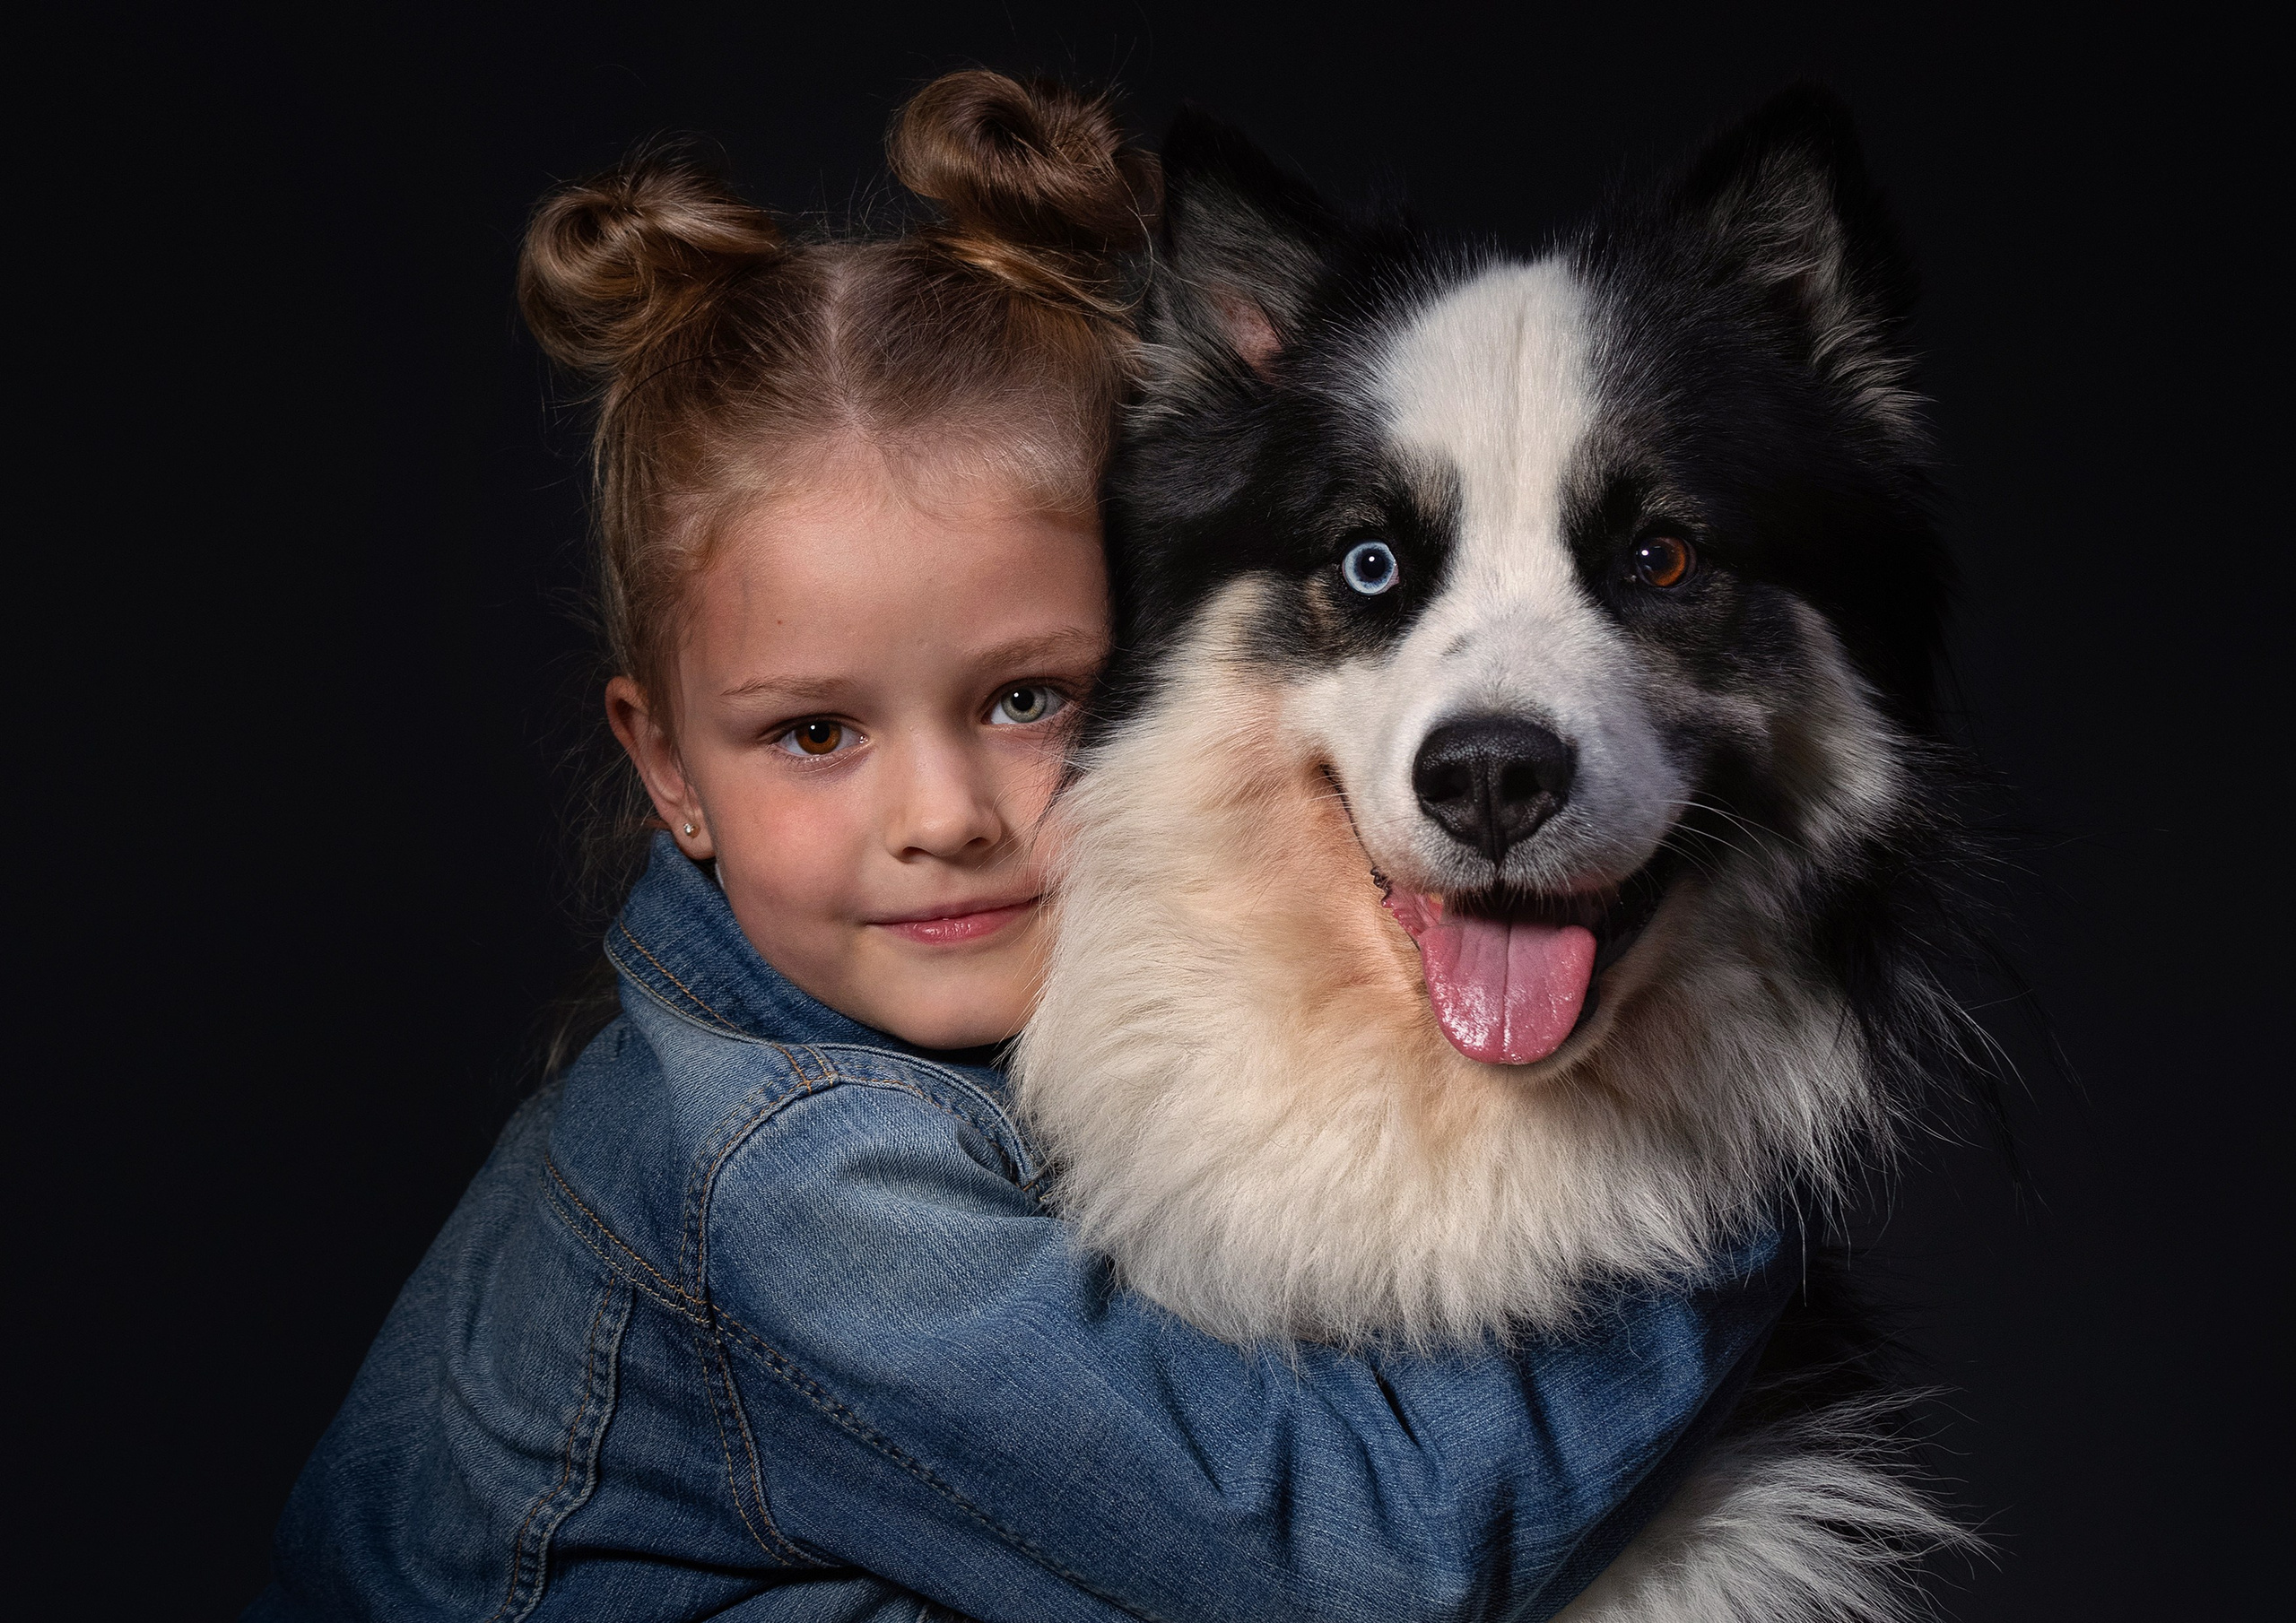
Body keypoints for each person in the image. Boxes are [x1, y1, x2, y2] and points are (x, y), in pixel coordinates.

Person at [248, 71, 1795, 1622]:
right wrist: (1728, 1209)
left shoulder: (916, 1038)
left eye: (1024, 697)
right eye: (814, 731)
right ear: (668, 768)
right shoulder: (790, 1190)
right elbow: (1348, 1562)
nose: (943, 818)